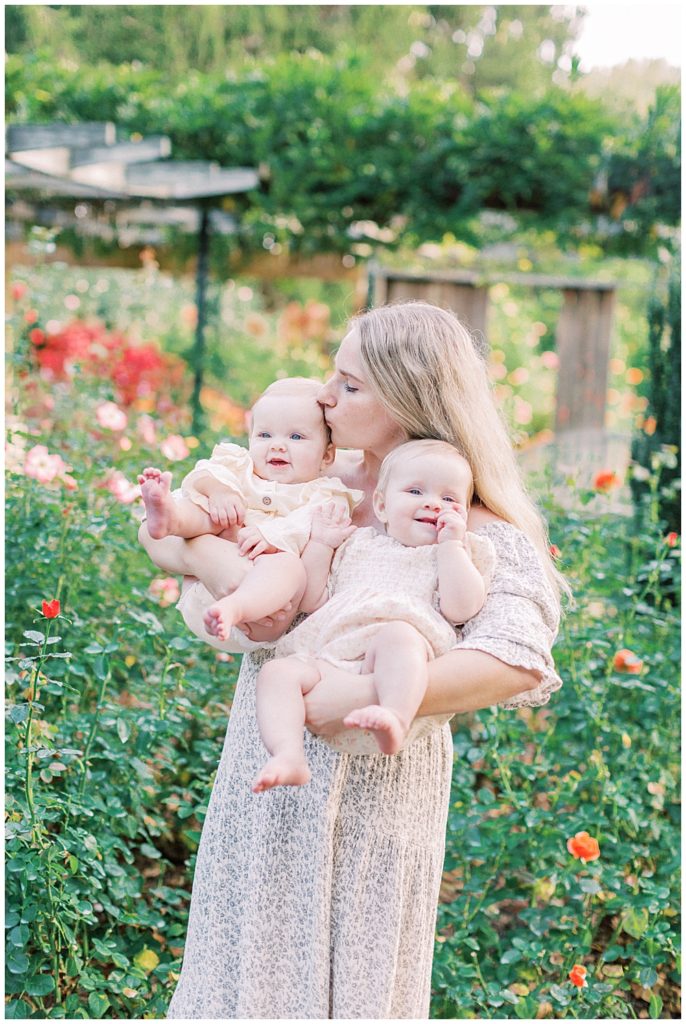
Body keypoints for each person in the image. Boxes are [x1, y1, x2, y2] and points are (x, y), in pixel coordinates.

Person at [166, 301, 565, 1020]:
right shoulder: (310, 488)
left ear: (408, 398)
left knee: (357, 979)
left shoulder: (463, 519)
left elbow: (516, 656)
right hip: (267, 763)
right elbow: (180, 536)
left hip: (381, 780)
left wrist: (355, 693)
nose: (324, 396)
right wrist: (195, 553)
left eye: (348, 385)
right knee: (242, 969)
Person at [252, 439, 496, 792]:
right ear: (381, 505)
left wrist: (452, 546)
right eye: (415, 490)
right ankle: (287, 753)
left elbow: (461, 609)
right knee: (277, 672)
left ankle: (394, 716)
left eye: (449, 499)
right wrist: (321, 544)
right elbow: (310, 599)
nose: (432, 503)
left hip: (394, 657)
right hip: (331, 654)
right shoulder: (357, 543)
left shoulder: (453, 554)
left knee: (398, 636)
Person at [137, 377, 362, 649]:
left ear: (327, 456)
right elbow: (209, 471)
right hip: (202, 588)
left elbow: (304, 524)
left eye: (296, 437)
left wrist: (271, 535)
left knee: (289, 566)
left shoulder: (325, 494)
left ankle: (235, 606)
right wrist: (219, 490)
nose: (277, 445)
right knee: (211, 510)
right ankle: (171, 517)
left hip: (261, 618)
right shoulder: (242, 468)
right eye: (265, 435)